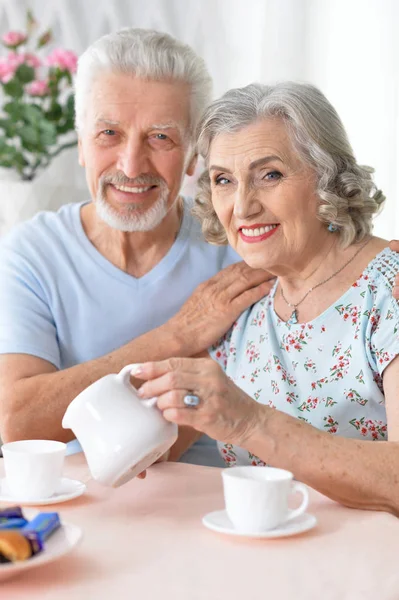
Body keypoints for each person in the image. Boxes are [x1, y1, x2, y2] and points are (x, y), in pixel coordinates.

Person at [0, 29, 273, 465]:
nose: (131, 165)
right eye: (109, 132)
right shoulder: (30, 254)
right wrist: (177, 335)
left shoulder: (238, 243)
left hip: (214, 500)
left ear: (192, 157)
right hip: (82, 506)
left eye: (160, 137)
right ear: (82, 144)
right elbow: (17, 423)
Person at [136, 81, 399, 514]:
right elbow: (161, 449)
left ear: (327, 178)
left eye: (270, 175)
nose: (242, 206)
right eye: (224, 180)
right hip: (267, 559)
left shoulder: (387, 291)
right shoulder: (245, 305)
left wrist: (252, 422)